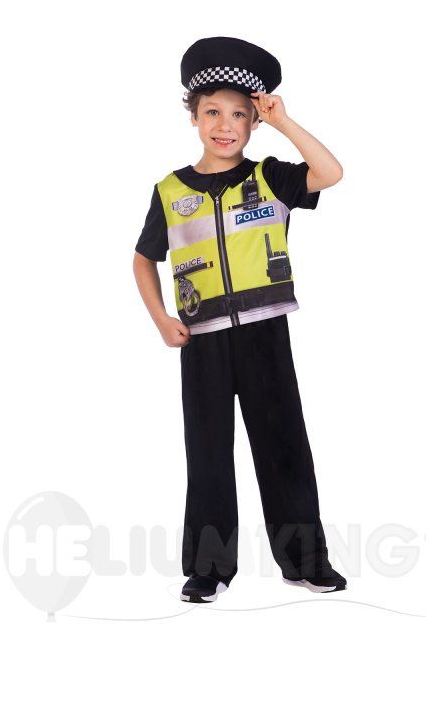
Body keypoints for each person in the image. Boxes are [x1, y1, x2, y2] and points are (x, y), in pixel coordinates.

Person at [132, 36, 346, 603]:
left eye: (239, 115)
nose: (224, 126)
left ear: (253, 122)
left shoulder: (271, 178)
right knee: (207, 455)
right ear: (194, 118)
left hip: (264, 333)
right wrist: (161, 319)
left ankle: (305, 561)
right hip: (201, 340)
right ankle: (208, 568)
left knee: (283, 447)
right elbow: (143, 258)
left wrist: (284, 122)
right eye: (212, 113)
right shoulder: (170, 191)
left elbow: (330, 172)